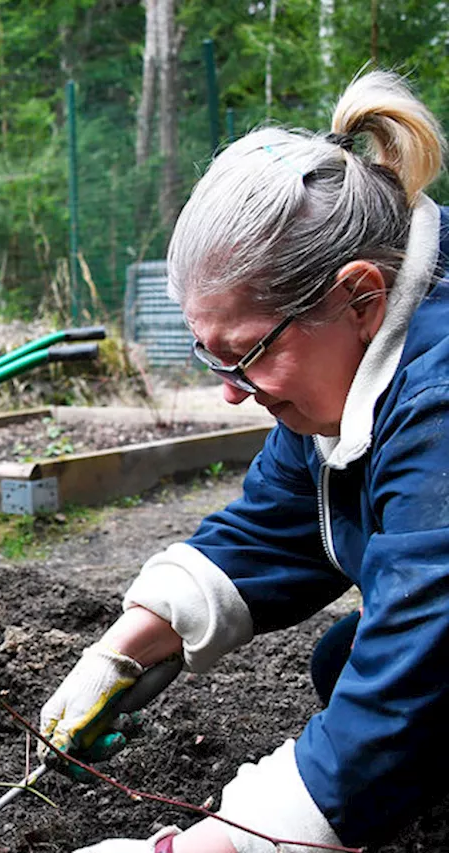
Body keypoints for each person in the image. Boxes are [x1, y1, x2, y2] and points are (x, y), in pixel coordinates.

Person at [38, 70, 449, 853]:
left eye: (245, 355)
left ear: (360, 297)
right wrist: (124, 647)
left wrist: (206, 846)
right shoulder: (358, 353)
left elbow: (421, 665)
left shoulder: (441, 398)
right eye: (211, 358)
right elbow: (280, 524)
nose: (231, 394)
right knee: (342, 659)